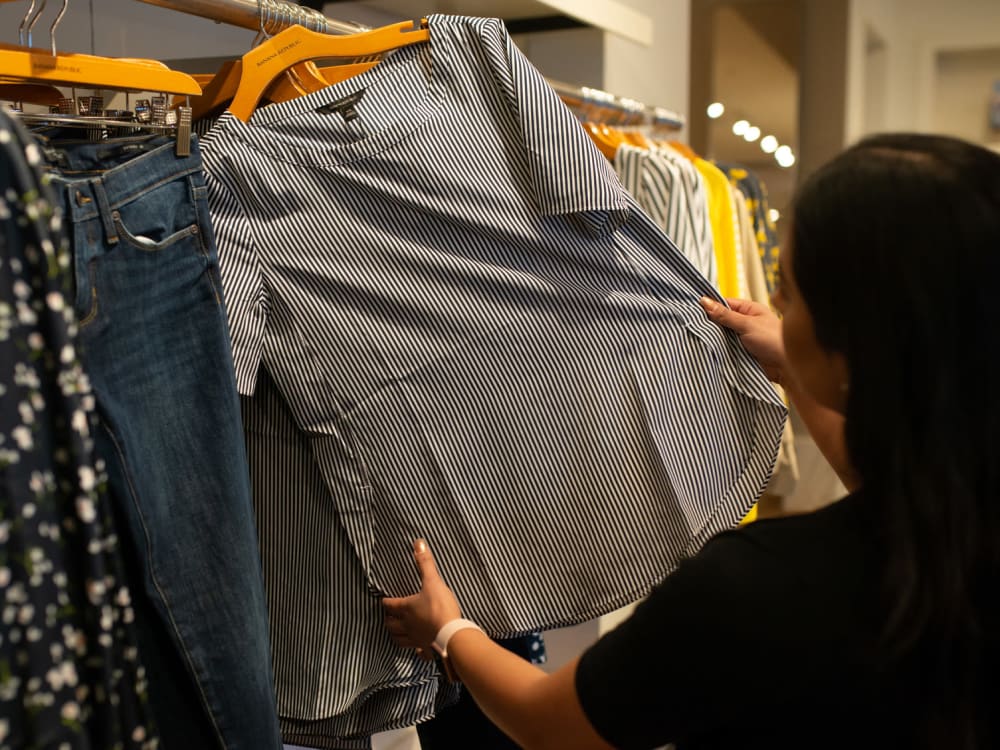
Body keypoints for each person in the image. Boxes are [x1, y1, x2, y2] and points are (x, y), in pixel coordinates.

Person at [382, 133, 999, 749]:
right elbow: (903, 471)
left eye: (792, 288)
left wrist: (449, 633)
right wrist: (795, 364)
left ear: (853, 341)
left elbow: (551, 724)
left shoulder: (756, 589)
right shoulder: (950, 533)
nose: (776, 300)